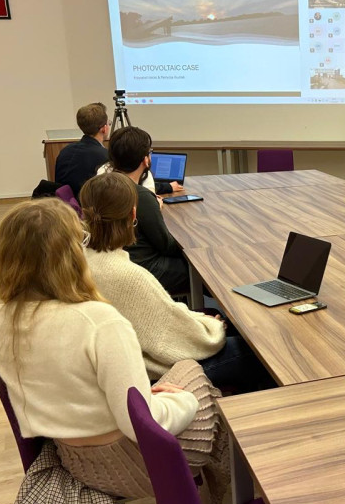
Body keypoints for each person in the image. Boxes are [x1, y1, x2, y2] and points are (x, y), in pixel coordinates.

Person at [0, 199, 228, 504]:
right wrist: (180, 400)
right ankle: (230, 495)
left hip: (73, 459)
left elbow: (74, 390)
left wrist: (143, 399)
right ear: (72, 254)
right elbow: (143, 425)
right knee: (192, 370)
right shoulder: (99, 321)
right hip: (139, 463)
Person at [79, 172, 275, 393]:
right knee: (258, 350)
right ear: (133, 214)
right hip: (155, 376)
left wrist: (199, 319)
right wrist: (213, 326)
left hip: (119, 367)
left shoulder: (82, 260)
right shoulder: (129, 277)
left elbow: (162, 319)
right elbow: (179, 342)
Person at [107, 126, 189, 295]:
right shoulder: (141, 196)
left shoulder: (104, 186)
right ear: (146, 160)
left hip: (119, 265)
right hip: (145, 270)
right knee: (198, 268)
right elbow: (166, 246)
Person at [54, 103, 111, 199]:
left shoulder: (65, 151)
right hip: (89, 206)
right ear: (104, 129)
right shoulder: (105, 156)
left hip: (63, 205)